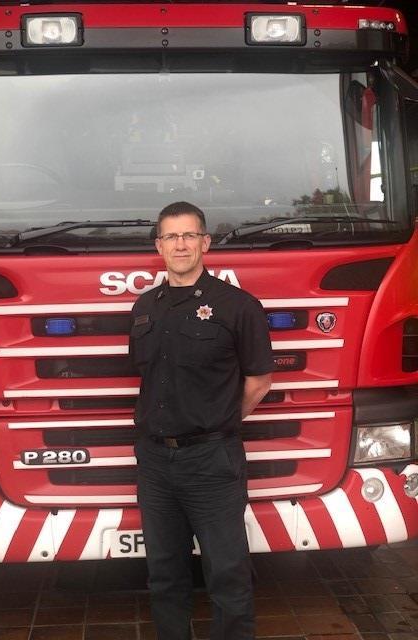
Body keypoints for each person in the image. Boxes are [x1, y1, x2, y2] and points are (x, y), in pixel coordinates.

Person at [129, 201, 273, 640]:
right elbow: (147, 378)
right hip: (155, 464)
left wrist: (217, 423)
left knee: (228, 575)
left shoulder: (238, 306)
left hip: (212, 461)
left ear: (205, 242)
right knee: (165, 574)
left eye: (190, 235)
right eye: (171, 236)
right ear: (159, 246)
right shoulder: (144, 307)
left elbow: (260, 380)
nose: (181, 244)